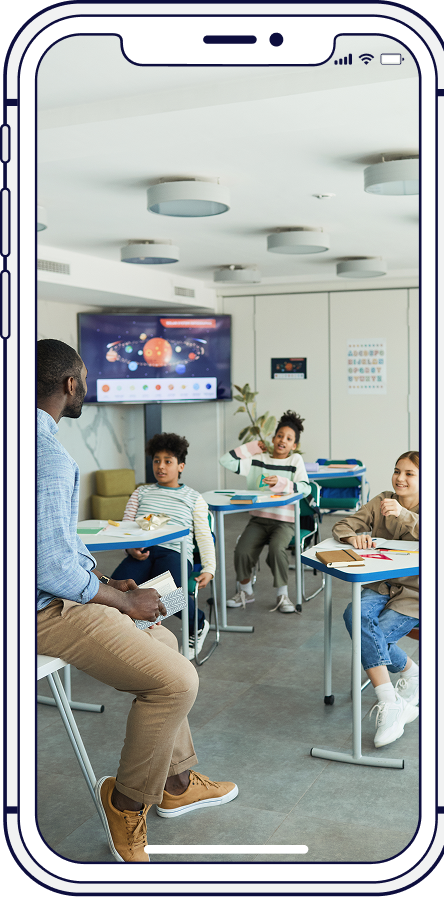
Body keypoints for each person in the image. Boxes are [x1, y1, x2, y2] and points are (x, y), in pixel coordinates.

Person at [36, 339, 238, 863]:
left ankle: (175, 781)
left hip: (54, 595)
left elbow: (53, 547)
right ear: (70, 385)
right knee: (178, 680)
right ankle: (125, 801)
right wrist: (121, 603)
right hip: (42, 612)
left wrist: (105, 582)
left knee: (167, 635)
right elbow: (46, 568)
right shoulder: (48, 455)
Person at [332, 451, 420, 748]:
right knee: (353, 615)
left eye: (409, 474)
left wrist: (403, 514)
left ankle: (391, 699)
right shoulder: (381, 499)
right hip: (381, 585)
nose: (400, 478)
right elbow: (342, 526)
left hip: (414, 594)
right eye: (397, 471)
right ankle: (397, 693)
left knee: (374, 634)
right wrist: (351, 538)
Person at [110, 432, 215, 660]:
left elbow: (204, 536)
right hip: (143, 552)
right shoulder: (141, 492)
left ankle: (197, 622)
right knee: (115, 591)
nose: (161, 466)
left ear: (181, 466)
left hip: (175, 552)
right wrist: (130, 548)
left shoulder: (193, 498)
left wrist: (209, 568)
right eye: (157, 460)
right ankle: (137, 637)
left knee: (168, 594)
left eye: (168, 461)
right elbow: (126, 527)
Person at [220, 410, 311, 612]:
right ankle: (245, 591)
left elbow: (306, 488)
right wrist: (251, 447)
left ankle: (283, 595)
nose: (282, 441)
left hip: (284, 522)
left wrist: (282, 482)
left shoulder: (294, 461)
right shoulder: (258, 460)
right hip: (259, 520)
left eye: (288, 439)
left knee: (277, 549)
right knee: (242, 550)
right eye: (280, 436)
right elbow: (226, 461)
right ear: (273, 437)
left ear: (294, 445)